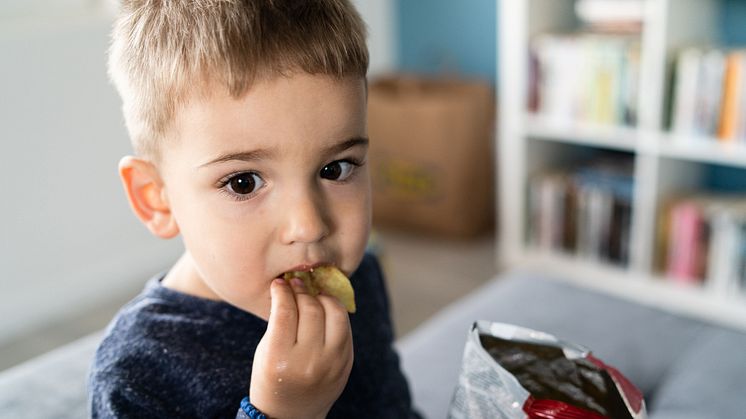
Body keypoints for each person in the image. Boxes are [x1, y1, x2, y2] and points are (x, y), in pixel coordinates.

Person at [87, 1, 419, 417]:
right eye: (243, 182)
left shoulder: (360, 279)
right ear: (156, 197)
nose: (309, 226)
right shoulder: (137, 373)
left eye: (335, 169)